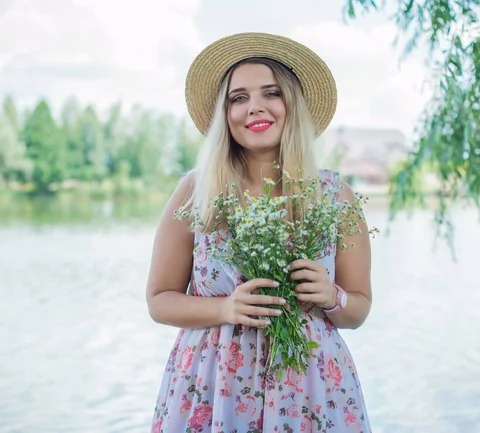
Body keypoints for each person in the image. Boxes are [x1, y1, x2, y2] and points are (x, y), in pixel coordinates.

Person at [146, 32, 373, 432]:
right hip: (213, 387)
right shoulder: (197, 192)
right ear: (226, 113)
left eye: (271, 93)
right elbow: (159, 300)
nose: (255, 107)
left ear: (292, 105)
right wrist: (224, 309)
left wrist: (332, 297)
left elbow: (359, 309)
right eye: (239, 97)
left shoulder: (335, 195)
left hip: (310, 387)